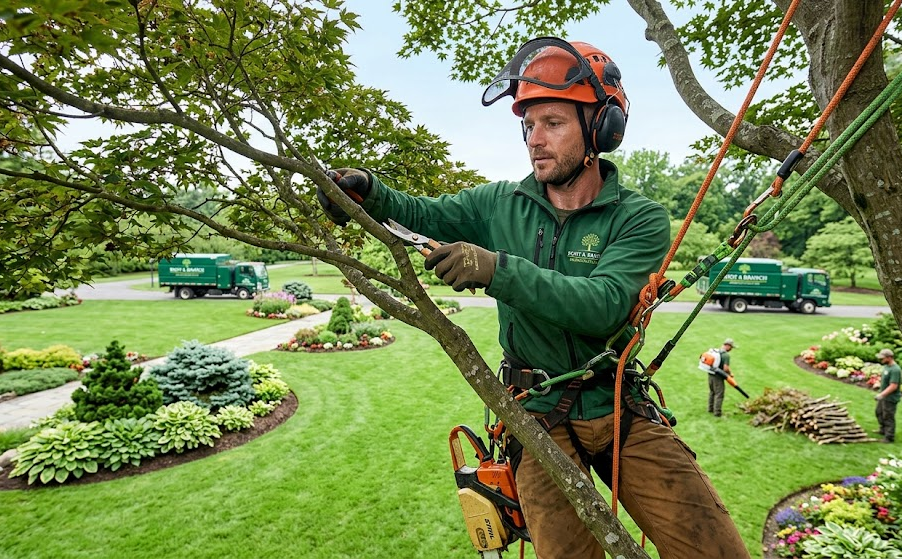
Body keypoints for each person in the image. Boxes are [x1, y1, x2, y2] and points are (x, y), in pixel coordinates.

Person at [317, 37, 749, 559]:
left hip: (617, 406)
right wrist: (369, 191)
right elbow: (425, 214)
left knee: (716, 551)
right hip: (536, 413)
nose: (534, 140)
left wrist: (497, 270)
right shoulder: (500, 204)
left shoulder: (639, 218)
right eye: (528, 125)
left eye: (553, 123)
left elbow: (604, 304)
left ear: (601, 128)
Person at [706, 338, 737, 417]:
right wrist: (730, 374)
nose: (731, 349)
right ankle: (717, 413)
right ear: (728, 346)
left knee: (712, 392)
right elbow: (725, 368)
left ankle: (710, 408)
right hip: (718, 377)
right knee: (719, 394)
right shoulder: (726, 355)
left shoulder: (715, 352)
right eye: (731, 347)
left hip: (710, 374)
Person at [875, 348, 900, 443]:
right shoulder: (887, 367)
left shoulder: (895, 369)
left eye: (883, 358)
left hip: (890, 398)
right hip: (884, 395)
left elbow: (893, 386)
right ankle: (882, 430)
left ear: (889, 358)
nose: (881, 360)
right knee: (879, 412)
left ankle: (889, 437)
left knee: (888, 416)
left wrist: (882, 394)